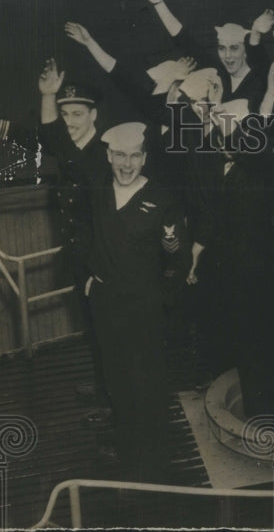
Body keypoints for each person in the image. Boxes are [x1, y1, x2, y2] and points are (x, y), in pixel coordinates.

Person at [0, 60, 113, 418]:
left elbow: (54, 140)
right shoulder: (66, 144)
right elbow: (20, 133)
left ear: (94, 115)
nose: (69, 120)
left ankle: (116, 403)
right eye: (65, 113)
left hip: (106, 261)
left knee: (110, 332)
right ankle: (104, 389)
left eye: (77, 114)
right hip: (80, 257)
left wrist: (48, 100)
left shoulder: (106, 153)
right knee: (93, 328)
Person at [85, 122, 190, 482]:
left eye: (133, 156)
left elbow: (178, 260)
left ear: (144, 158)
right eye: (119, 156)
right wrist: (89, 275)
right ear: (108, 156)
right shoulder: (98, 190)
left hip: (144, 308)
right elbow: (84, 235)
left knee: (147, 383)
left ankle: (154, 462)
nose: (126, 165)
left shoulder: (162, 200)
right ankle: (128, 453)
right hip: (105, 305)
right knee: (116, 381)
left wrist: (161, 300)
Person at [132, 0, 274, 113]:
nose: (227, 56)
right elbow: (184, 40)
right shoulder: (220, 74)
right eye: (221, 48)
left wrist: (255, 34)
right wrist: (158, 2)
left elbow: (261, 60)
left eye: (234, 48)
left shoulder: (259, 77)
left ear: (245, 51)